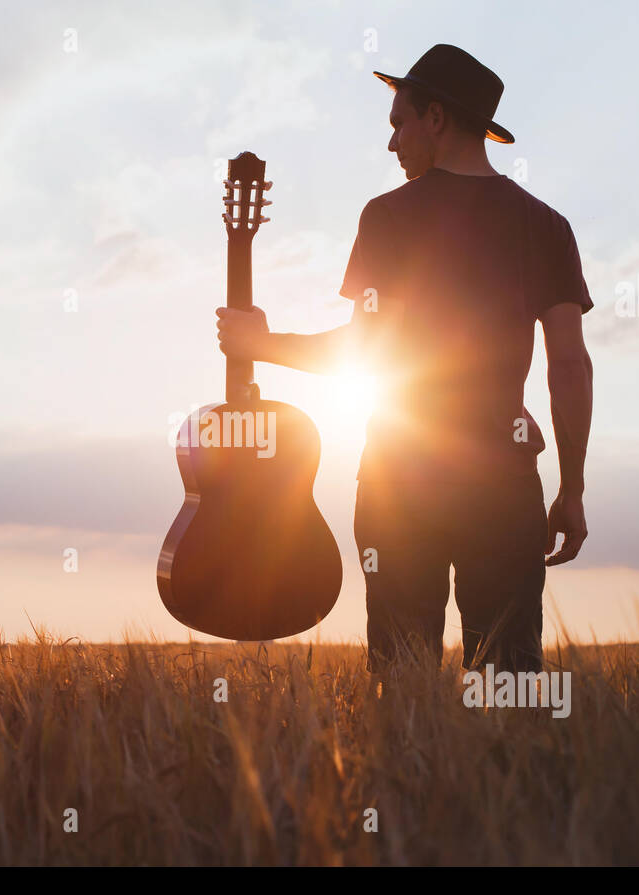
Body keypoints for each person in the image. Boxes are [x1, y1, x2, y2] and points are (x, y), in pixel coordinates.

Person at [216, 44, 593, 689]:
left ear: (437, 118)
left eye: (399, 123)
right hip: (503, 482)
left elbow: (363, 350)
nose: (392, 144)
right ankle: (502, 790)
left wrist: (262, 343)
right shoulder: (546, 225)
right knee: (509, 683)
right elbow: (570, 366)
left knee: (402, 682)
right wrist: (573, 488)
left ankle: (403, 792)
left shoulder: (388, 217)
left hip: (400, 478)